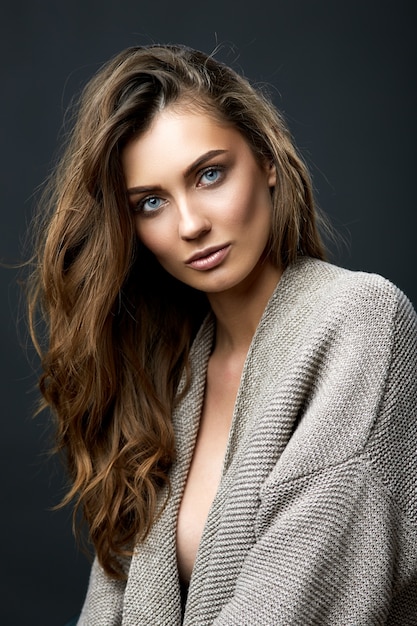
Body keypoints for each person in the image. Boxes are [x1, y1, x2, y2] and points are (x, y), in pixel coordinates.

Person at [27, 44, 417, 625]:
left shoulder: (361, 321)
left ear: (267, 161)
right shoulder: (172, 373)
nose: (190, 225)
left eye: (210, 174)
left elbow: (297, 601)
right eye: (151, 202)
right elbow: (110, 604)